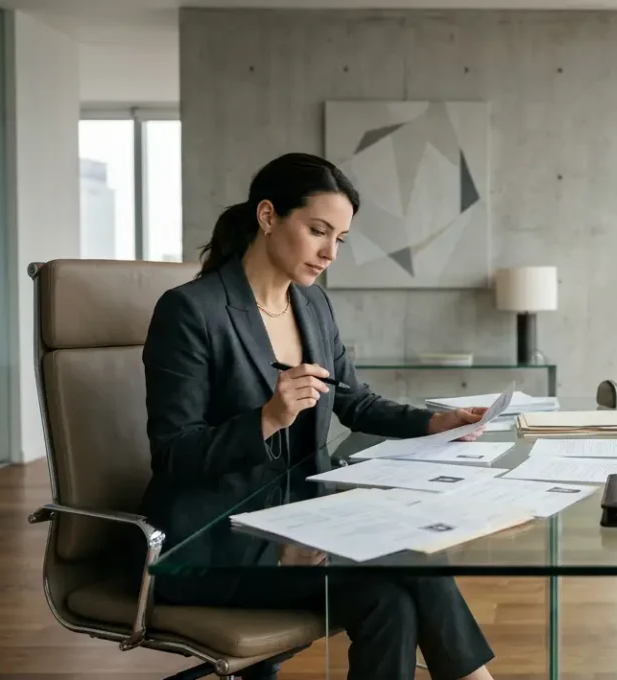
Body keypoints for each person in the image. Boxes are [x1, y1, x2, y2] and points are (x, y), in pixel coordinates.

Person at [139, 152, 497, 680]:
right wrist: (267, 418)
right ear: (268, 216)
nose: (330, 252)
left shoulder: (313, 306)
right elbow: (174, 454)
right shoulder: (191, 311)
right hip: (211, 548)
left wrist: (433, 423)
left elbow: (355, 401)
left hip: (300, 527)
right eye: (318, 231)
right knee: (408, 563)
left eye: (341, 239)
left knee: (391, 602)